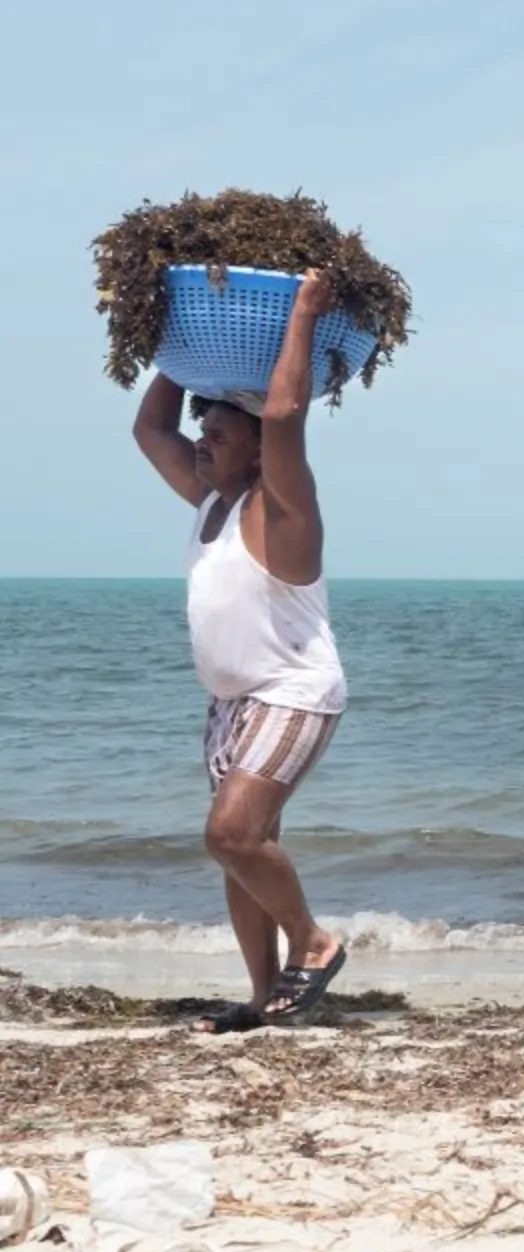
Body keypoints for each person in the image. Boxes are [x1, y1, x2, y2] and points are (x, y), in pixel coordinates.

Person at [132, 270, 350, 1034]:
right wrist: (178, 343)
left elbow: (286, 409)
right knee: (242, 851)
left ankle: (314, 943)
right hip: (230, 701)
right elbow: (150, 432)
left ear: (261, 454)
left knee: (230, 834)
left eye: (219, 437)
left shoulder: (281, 507)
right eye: (206, 432)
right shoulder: (213, 504)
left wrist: (303, 312)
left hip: (293, 690)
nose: (201, 444)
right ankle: (263, 999)